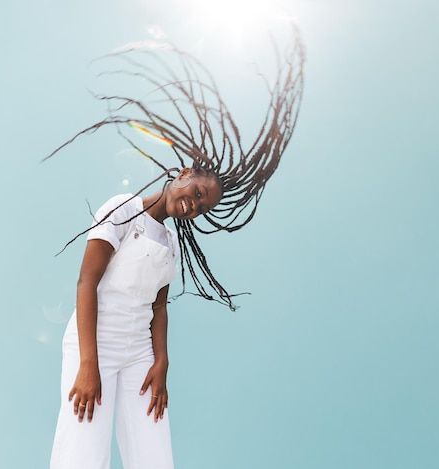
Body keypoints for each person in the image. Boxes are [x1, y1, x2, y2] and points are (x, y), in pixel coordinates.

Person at [47, 28, 305, 469]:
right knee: (83, 452)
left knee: (154, 456)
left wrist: (162, 362)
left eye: (203, 206)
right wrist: (88, 362)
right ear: (184, 172)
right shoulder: (122, 209)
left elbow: (159, 308)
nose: (194, 204)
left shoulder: (168, 245)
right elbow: (87, 282)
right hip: (96, 342)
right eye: (197, 191)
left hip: (139, 354)